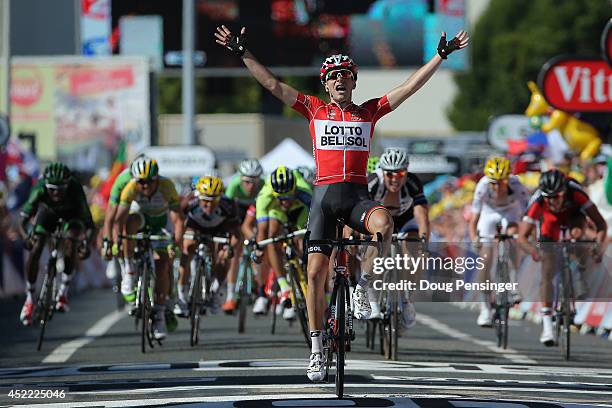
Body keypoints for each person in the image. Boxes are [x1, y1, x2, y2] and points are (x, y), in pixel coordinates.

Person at [214, 24, 469, 382]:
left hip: (357, 198)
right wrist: (244, 53)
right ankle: (317, 350)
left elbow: (409, 88)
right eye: (333, 78)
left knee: (384, 225)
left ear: (354, 83)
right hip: (323, 200)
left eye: (346, 77)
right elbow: (273, 85)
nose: (340, 82)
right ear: (326, 84)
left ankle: (364, 285)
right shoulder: (314, 110)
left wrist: (439, 57)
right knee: (315, 275)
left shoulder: (368, 112)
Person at [518, 169, 607, 345]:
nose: (552, 202)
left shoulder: (576, 193)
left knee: (576, 233)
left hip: (573, 218)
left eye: (556, 197)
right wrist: (535, 252)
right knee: (547, 271)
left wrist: (597, 246)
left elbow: (600, 224)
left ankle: (580, 270)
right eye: (548, 198)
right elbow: (522, 237)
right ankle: (547, 326)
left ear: (564, 192)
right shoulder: (538, 201)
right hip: (549, 224)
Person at [114, 157, 184, 340]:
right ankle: (130, 270)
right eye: (141, 182)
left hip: (161, 223)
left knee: (162, 266)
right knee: (129, 223)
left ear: (156, 179)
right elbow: (118, 220)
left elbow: (177, 220)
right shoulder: (130, 188)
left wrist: (175, 244)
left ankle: (160, 316)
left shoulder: (167, 186)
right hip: (141, 219)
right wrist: (116, 243)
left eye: (149, 182)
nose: (144, 186)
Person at [19, 163, 94, 326]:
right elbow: (23, 220)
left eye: (60, 189)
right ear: (46, 185)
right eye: (52, 189)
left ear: (68, 184)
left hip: (71, 217)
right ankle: (30, 299)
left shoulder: (75, 189)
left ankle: (63, 292)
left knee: (71, 240)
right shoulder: (39, 189)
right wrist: (27, 237)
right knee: (37, 246)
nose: (56, 193)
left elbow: (89, 224)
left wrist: (85, 244)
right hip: (48, 215)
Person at [367, 147, 429, 330]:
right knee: (374, 251)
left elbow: (422, 215)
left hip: (405, 220)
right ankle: (372, 298)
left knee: (412, 256)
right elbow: (360, 212)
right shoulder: (373, 182)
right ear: (383, 172)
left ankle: (407, 299)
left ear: (406, 172)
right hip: (380, 220)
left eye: (400, 173)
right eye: (390, 174)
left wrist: (423, 243)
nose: (395, 179)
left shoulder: (413, 183)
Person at [469, 157, 529, 326]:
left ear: (508, 179)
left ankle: (513, 283)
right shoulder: (482, 186)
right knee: (486, 258)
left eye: (501, 182)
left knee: (512, 235)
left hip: (510, 212)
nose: (497, 187)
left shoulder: (517, 185)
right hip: (489, 214)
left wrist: (524, 236)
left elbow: (527, 216)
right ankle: (485, 307)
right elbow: (474, 219)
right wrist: (475, 238)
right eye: (493, 183)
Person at [177, 176, 242, 317]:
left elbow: (236, 234)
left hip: (219, 228)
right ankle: (181, 295)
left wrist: (230, 249)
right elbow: (178, 222)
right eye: (205, 201)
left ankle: (216, 290)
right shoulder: (189, 202)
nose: (209, 205)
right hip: (195, 226)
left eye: (214, 201)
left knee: (224, 256)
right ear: (198, 196)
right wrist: (178, 241)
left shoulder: (229, 205)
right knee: (187, 247)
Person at [251, 166, 311, 318]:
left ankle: (303, 272)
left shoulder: (303, 189)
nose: (285, 202)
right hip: (276, 212)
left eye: (288, 198)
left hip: (300, 210)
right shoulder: (264, 196)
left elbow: (316, 215)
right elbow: (262, 231)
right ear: (274, 194)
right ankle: (284, 286)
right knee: (272, 236)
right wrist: (258, 249)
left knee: (300, 238)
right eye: (281, 198)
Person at [222, 158, 264, 312]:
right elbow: (226, 211)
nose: (251, 186)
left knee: (258, 243)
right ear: (240, 179)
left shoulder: (264, 187)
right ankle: (230, 296)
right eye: (247, 181)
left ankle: (260, 288)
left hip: (256, 212)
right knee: (234, 249)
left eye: (255, 182)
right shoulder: (233, 186)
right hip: (237, 211)